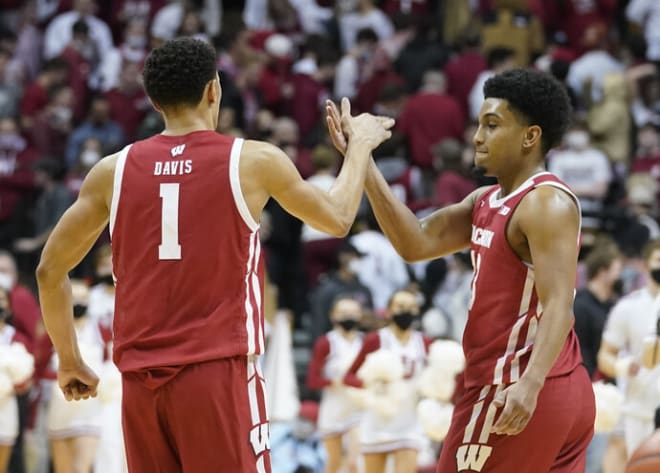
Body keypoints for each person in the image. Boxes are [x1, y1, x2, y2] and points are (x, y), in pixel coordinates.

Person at [35, 37, 393, 473]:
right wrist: (358, 147)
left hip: (141, 384)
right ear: (214, 90)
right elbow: (337, 218)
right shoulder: (252, 160)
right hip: (217, 372)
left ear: (152, 100)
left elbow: (49, 270)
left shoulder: (112, 171)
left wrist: (70, 360)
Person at [326, 68, 595, 472]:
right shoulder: (485, 200)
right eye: (478, 124)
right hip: (545, 387)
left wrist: (530, 384)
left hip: (517, 385)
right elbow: (414, 242)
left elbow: (560, 303)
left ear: (530, 136)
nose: (477, 137)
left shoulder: (544, 203)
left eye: (492, 125)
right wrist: (360, 158)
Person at [343, 289, 431, 473]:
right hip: (377, 421)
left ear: (417, 311)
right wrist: (371, 384)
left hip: (410, 423)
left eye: (411, 307)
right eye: (400, 306)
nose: (405, 311)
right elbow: (349, 377)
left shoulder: (424, 342)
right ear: (389, 310)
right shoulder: (376, 340)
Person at [597, 238, 660, 459]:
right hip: (639, 410)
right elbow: (605, 355)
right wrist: (623, 366)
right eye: (658, 260)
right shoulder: (627, 307)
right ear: (645, 265)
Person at [306, 296, 365, 473]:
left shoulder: (366, 341)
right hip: (333, 408)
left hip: (358, 409)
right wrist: (335, 382)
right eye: (344, 313)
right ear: (333, 316)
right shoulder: (326, 342)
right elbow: (312, 380)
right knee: (333, 463)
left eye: (354, 313)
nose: (349, 317)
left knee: (355, 463)